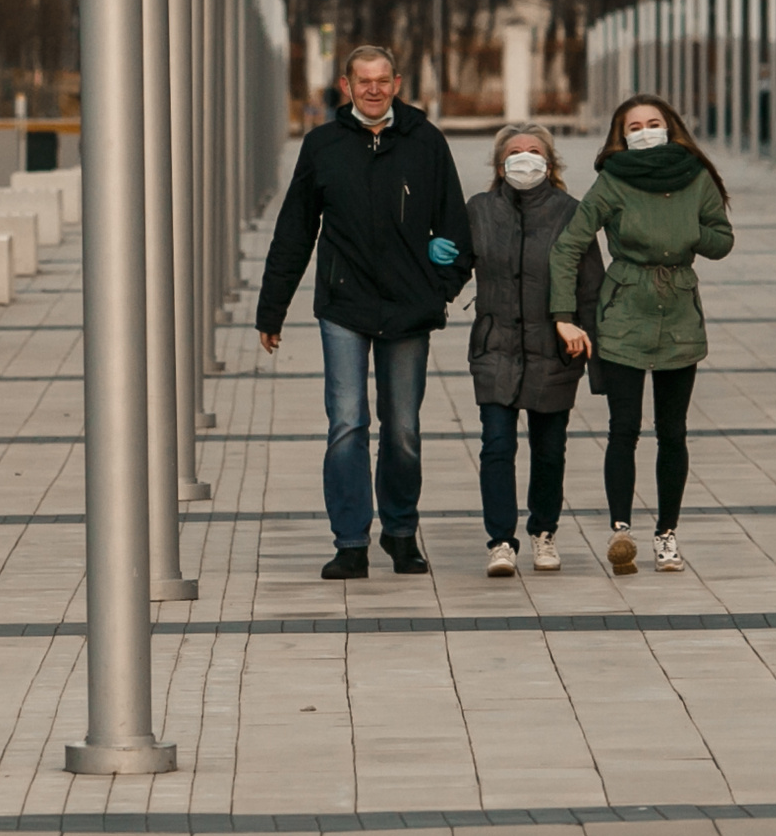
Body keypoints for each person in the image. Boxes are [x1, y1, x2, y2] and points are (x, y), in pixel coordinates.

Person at [257, 44, 472, 579]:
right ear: (345, 86)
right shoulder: (323, 146)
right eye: (362, 81)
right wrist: (272, 309)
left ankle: (400, 533)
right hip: (344, 305)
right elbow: (295, 230)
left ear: (397, 83)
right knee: (347, 423)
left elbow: (456, 228)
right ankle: (350, 541)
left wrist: (439, 288)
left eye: (383, 80)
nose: (373, 89)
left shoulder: (425, 142)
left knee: (402, 428)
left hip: (408, 308)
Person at [549, 93, 733, 575]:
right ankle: (621, 531)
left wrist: (689, 234)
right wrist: (563, 314)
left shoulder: (696, 177)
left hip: (678, 313)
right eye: (636, 126)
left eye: (654, 123)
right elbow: (569, 246)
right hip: (624, 310)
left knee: (673, 431)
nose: (646, 131)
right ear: (622, 136)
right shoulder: (612, 182)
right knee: (623, 429)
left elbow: (722, 239)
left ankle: (667, 534)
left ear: (671, 127)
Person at [466, 123, 603, 577]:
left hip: (554, 350)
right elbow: (453, 269)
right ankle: (500, 541)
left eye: (534, 151)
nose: (525, 159)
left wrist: (590, 349)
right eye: (515, 152)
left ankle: (544, 532)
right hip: (496, 346)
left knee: (549, 449)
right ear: (500, 164)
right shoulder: (480, 210)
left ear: (550, 162)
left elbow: (590, 286)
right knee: (496, 446)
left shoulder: (571, 212)